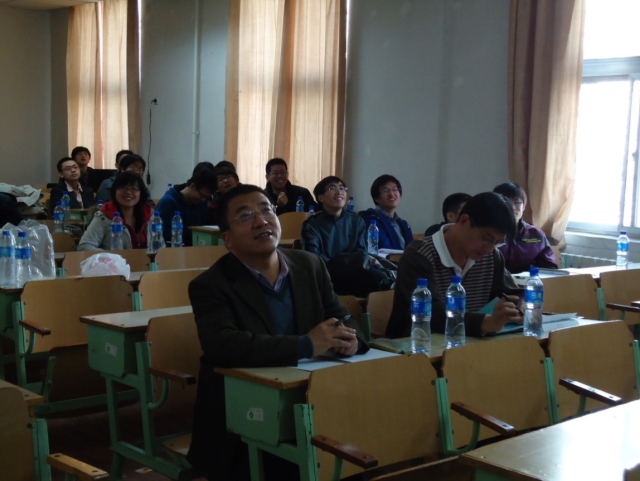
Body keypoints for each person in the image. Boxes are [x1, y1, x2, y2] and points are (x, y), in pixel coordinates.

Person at [188, 184, 368, 480]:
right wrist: (307, 345)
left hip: (312, 400)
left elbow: (343, 317)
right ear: (227, 239)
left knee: (354, 458)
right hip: (244, 412)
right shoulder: (211, 284)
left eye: (266, 210)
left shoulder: (310, 264)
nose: (261, 221)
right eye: (245, 216)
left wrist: (351, 341)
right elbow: (222, 345)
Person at [386, 192, 523, 339]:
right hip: (417, 345)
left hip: (469, 344)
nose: (489, 249)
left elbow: (510, 293)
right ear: (464, 221)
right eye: (487, 239)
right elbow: (430, 312)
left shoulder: (492, 257)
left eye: (497, 242)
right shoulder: (419, 254)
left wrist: (521, 306)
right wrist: (485, 323)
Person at [302, 176, 395, 297]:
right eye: (332, 188)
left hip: (354, 274)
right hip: (326, 277)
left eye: (342, 188)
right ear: (321, 198)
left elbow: (361, 253)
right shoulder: (312, 225)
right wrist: (344, 263)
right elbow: (315, 259)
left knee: (377, 277)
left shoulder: (356, 221)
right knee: (375, 279)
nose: (339, 192)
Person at [492, 182, 558, 273]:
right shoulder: (488, 233)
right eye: (506, 202)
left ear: (524, 206)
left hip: (526, 281)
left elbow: (549, 268)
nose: (512, 207)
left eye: (517, 202)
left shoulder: (535, 234)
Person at [77, 172, 153, 251]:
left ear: (141, 193)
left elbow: (158, 245)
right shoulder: (104, 216)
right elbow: (84, 246)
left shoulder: (150, 214)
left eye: (134, 188)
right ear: (114, 191)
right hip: (113, 259)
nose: (128, 192)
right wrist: (111, 256)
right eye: (123, 188)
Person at [155, 166, 217, 246]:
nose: (203, 200)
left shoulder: (201, 203)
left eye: (206, 198)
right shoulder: (168, 202)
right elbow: (162, 235)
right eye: (202, 196)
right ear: (193, 186)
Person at [359, 174, 413, 250]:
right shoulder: (371, 220)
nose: (391, 194)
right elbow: (384, 249)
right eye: (385, 191)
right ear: (376, 198)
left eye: (394, 189)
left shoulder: (403, 224)